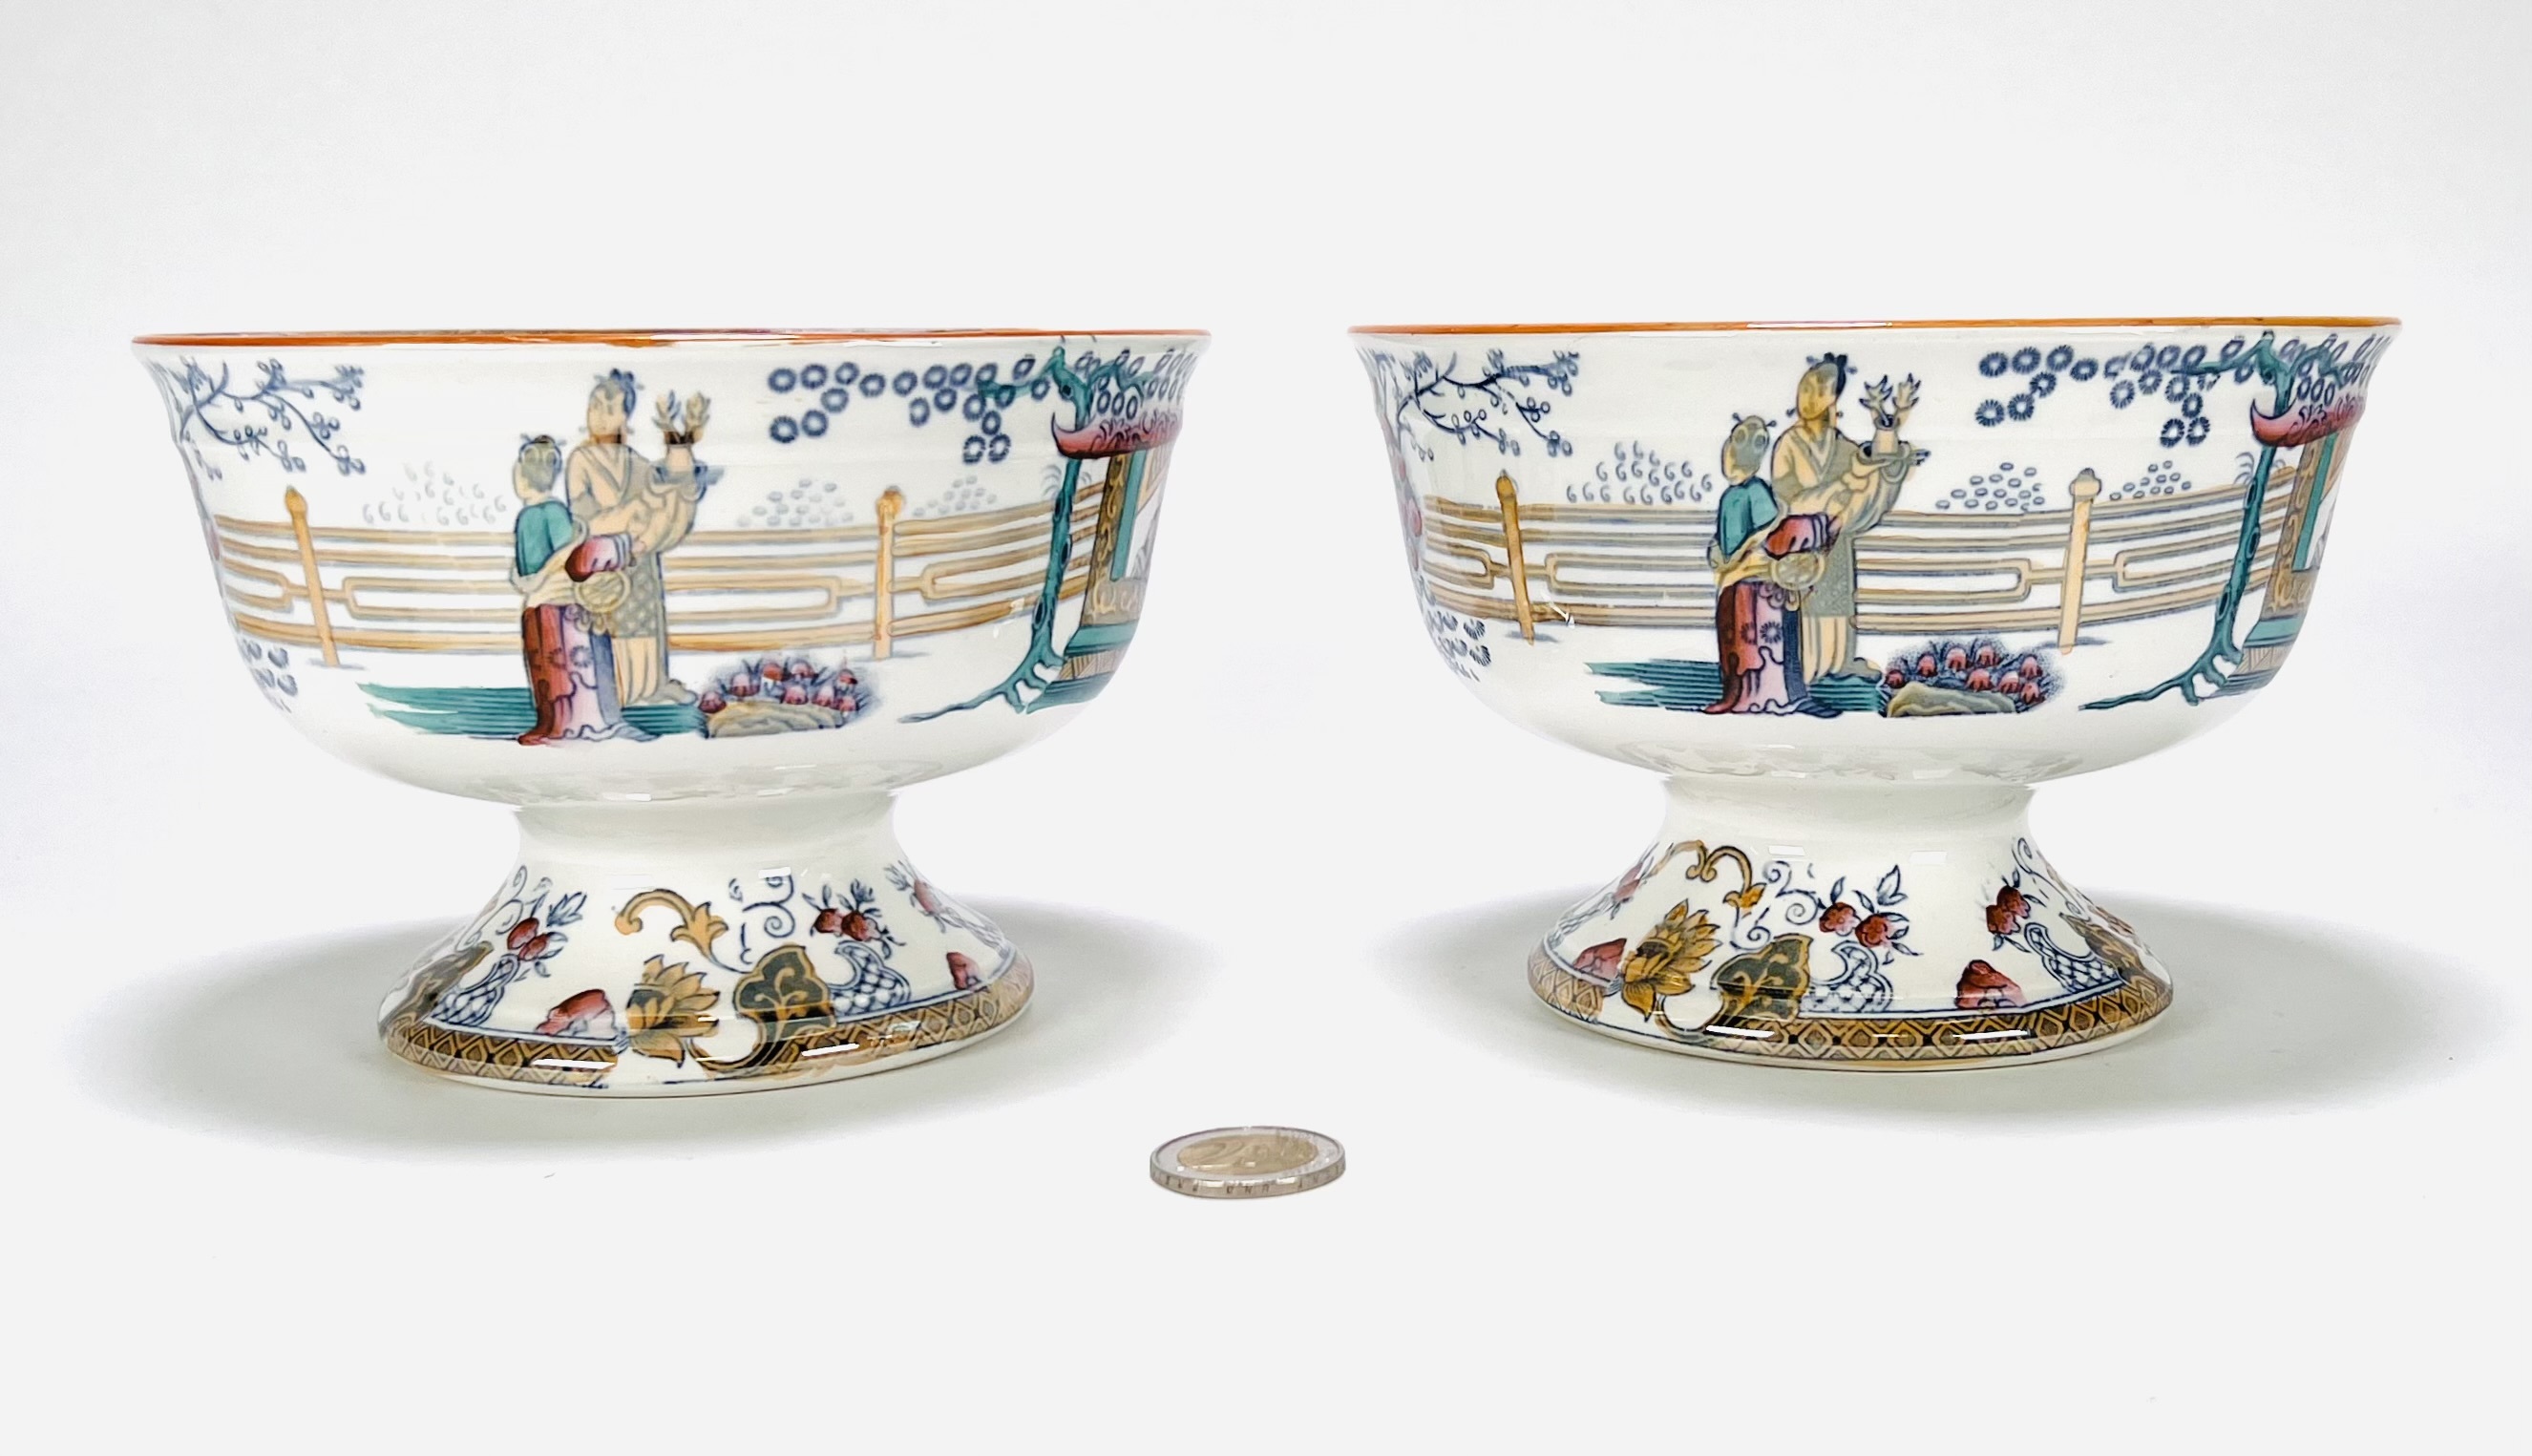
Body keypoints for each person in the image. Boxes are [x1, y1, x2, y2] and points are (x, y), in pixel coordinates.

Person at [1771, 356, 1918, 682]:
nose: (1810, 398)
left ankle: (1839, 662)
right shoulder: (1788, 444)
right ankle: (1806, 665)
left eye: (1820, 390)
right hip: (1799, 540)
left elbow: (1868, 482)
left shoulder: (1841, 446)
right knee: (1806, 603)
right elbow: (1789, 498)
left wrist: (1885, 439)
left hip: (1836, 542)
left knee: (1837, 601)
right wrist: (1844, 486)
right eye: (1807, 389)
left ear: (1833, 399)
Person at [564, 370, 706, 707]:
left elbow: (662, 499)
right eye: (595, 406)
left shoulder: (635, 463)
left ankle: (652, 684)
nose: (600, 415)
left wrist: (646, 533)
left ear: (625, 416)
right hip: (603, 561)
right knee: (615, 625)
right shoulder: (581, 460)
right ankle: (622, 690)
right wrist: (633, 514)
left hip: (640, 558)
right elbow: (584, 517)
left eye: (609, 408)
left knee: (647, 622)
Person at [510, 435, 648, 745]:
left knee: (564, 665)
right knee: (551, 665)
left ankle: (569, 723)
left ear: (524, 476)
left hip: (558, 602)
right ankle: (555, 722)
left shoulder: (548, 512)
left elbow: (569, 557)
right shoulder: (537, 514)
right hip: (543, 602)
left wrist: (541, 576)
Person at [1705, 415, 1836, 715]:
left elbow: (1768, 533)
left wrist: (1743, 559)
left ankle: (1771, 696)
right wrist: (1723, 560)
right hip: (1733, 580)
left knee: (1762, 640)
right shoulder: (1731, 495)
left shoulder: (1756, 492)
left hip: (1757, 581)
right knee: (1735, 638)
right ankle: (1736, 693)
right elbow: (1724, 539)